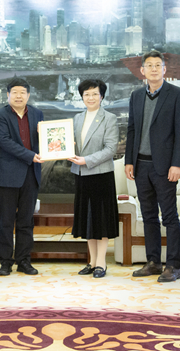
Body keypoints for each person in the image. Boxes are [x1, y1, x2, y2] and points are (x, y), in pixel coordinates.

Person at [125, 50, 180, 282]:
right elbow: (132, 129)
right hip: (140, 165)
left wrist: (177, 164)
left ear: (164, 69)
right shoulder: (136, 96)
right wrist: (129, 160)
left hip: (165, 167)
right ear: (142, 70)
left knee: (169, 216)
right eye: (149, 65)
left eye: (157, 65)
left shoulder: (177, 94)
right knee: (148, 215)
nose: (153, 69)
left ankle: (173, 266)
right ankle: (153, 262)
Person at [0, 78, 44, 276]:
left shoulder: (37, 114)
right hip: (7, 175)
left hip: (31, 174)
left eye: (23, 92)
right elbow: (4, 142)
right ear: (8, 95)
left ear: (28, 95)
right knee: (6, 222)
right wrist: (31, 155)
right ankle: (5, 262)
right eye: (15, 92)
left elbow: (44, 141)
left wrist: (53, 143)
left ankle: (24, 261)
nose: (19, 96)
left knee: (26, 221)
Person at [69, 79, 119, 279]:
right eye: (86, 94)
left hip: (101, 175)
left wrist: (86, 160)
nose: (90, 98)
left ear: (102, 96)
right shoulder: (77, 118)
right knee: (88, 219)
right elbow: (71, 143)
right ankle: (91, 261)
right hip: (81, 174)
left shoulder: (109, 118)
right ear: (82, 97)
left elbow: (111, 148)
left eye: (94, 94)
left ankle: (101, 262)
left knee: (101, 219)